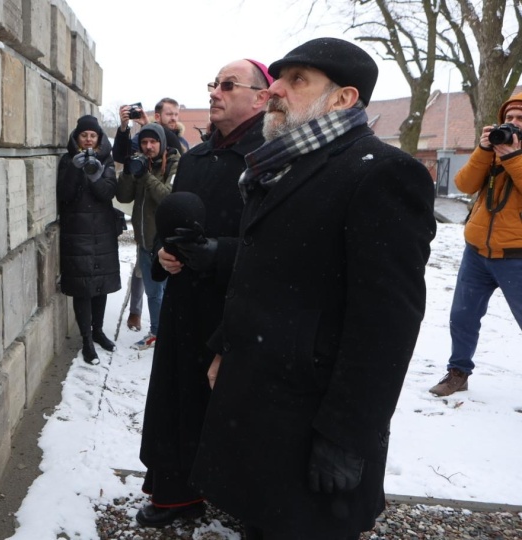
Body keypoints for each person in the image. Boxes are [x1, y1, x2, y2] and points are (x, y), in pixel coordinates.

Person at [194, 38, 436, 539]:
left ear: (344, 99)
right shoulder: (281, 165)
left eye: (296, 80)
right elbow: (263, 272)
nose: (276, 89)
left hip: (312, 416)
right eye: (278, 78)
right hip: (261, 399)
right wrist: (225, 347)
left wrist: (346, 436)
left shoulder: (383, 174)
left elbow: (387, 323)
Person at [134, 59, 272, 528]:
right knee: (178, 401)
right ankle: (177, 493)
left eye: (228, 85)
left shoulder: (273, 158)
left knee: (234, 409)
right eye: (214, 84)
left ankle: (236, 497)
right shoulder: (194, 158)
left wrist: (216, 253)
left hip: (240, 305)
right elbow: (169, 226)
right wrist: (163, 255)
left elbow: (279, 248)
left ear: (260, 97)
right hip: (184, 305)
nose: (215, 92)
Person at [430, 92, 522, 396]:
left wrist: (513, 158)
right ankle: (458, 372)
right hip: (476, 253)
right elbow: (464, 185)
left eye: (520, 119)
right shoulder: (493, 150)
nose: (513, 124)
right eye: (509, 118)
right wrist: (484, 151)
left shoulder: (511, 155)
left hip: (516, 256)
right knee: (462, 317)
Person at [114, 98, 187, 341]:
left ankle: (168, 334)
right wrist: (128, 172)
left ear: (161, 143)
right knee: (154, 293)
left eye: (153, 142)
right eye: (144, 142)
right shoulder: (139, 163)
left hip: (167, 242)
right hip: (145, 241)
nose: (147, 147)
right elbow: (123, 196)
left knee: (169, 292)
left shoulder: (175, 163)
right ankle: (157, 332)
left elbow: (168, 197)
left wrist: (145, 176)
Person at [57, 115, 121, 365]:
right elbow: (65, 195)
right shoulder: (67, 161)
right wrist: (74, 168)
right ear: (77, 137)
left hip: (102, 231)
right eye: (84, 135)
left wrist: (95, 176)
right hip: (77, 232)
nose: (88, 139)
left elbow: (108, 193)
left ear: (98, 139)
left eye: (92, 135)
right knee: (83, 288)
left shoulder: (106, 161)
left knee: (101, 285)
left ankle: (99, 331)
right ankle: (86, 339)